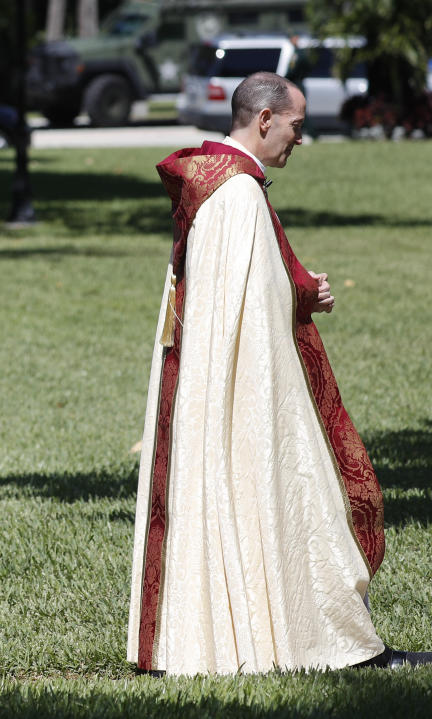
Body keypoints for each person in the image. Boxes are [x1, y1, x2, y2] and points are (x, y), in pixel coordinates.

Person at [126, 72, 432, 675]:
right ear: (264, 120)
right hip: (250, 387)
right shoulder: (235, 195)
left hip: (216, 377)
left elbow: (236, 296)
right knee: (288, 487)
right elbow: (244, 318)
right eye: (295, 124)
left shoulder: (220, 183)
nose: (300, 137)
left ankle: (217, 636)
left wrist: (293, 292)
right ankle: (318, 642)